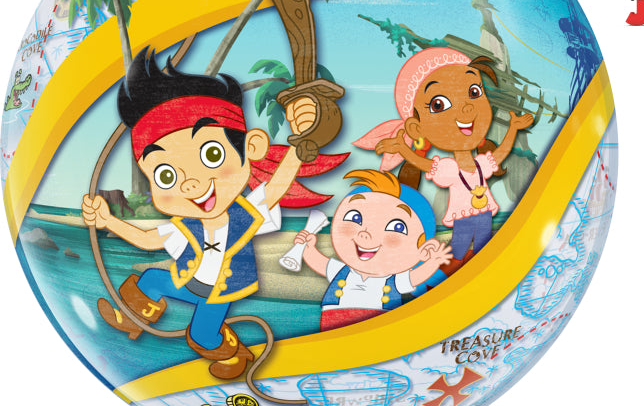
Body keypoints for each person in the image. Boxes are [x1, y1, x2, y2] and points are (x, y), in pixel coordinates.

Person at [82, 48, 344, 379]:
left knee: (203, 335)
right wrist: (108, 221)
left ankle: (235, 356)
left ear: (251, 147)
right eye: (166, 175)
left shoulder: (243, 216)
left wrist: (297, 147)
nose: (190, 183)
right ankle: (131, 321)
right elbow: (148, 240)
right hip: (186, 281)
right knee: (149, 281)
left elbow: (276, 188)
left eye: (211, 155)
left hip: (221, 293)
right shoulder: (185, 224)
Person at [354, 47, 533, 267]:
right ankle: (451, 273)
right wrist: (403, 148)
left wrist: (513, 128)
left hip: (484, 212)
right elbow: (423, 163)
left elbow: (501, 153)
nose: (467, 107)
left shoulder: (481, 164)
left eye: (474, 92)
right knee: (459, 248)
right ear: (417, 128)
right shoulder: (449, 169)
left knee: (482, 247)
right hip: (463, 216)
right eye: (439, 105)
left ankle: (479, 270)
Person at [293, 169, 452, 330]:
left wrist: (433, 262)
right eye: (354, 217)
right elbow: (320, 263)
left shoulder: (394, 280)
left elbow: (415, 277)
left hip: (379, 327)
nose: (365, 233)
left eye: (397, 227)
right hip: (333, 323)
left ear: (424, 250)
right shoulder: (341, 270)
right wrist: (308, 247)